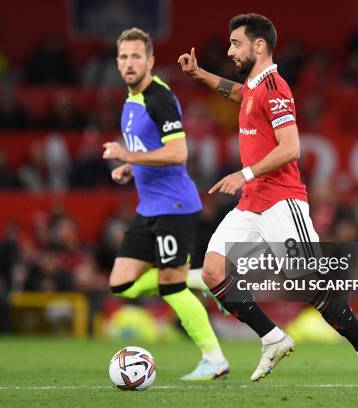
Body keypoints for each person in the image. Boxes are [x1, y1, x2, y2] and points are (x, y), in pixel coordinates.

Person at [178, 13, 358, 392]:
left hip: (281, 202)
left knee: (311, 285)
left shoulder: (275, 86)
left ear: (259, 46)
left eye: (235, 43)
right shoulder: (254, 87)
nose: (230, 50)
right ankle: (273, 338)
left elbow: (291, 148)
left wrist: (244, 173)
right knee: (212, 271)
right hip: (252, 202)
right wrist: (200, 75)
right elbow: (239, 94)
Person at [102, 27, 229, 380]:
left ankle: (214, 358)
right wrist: (131, 165)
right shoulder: (130, 101)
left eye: (136, 56)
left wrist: (127, 154)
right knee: (122, 284)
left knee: (172, 288)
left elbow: (178, 152)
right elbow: (150, 149)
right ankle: (198, 277)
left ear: (150, 61)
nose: (130, 63)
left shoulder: (158, 97)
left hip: (175, 205)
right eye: (124, 57)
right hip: (149, 208)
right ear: (117, 62)